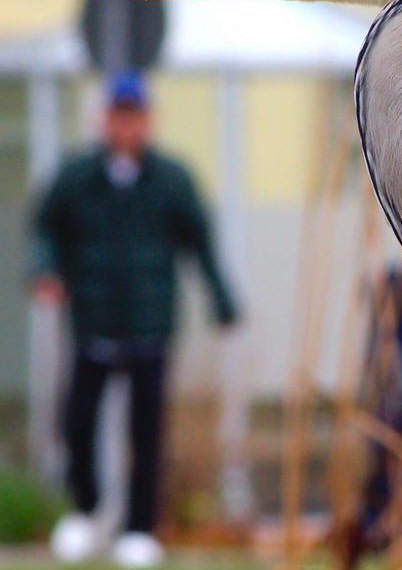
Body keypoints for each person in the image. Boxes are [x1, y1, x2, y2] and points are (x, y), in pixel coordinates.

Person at [30, 71, 240, 568]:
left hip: (150, 323)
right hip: (93, 323)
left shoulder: (171, 179)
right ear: (105, 119)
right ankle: (85, 509)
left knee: (146, 432)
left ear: (147, 121)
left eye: (135, 116)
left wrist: (221, 300)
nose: (127, 126)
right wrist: (45, 270)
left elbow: (200, 243)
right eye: (119, 116)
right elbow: (45, 230)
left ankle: (140, 528)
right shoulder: (76, 177)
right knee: (78, 422)